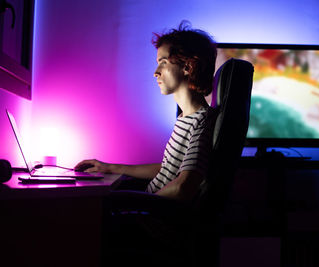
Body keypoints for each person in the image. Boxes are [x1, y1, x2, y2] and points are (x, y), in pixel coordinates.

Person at [75, 22, 217, 203]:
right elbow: (167, 169)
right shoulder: (185, 118)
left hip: (152, 216)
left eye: (163, 63)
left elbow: (183, 186)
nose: (155, 72)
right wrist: (110, 167)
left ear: (188, 67)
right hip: (148, 207)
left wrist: (137, 204)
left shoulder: (202, 120)